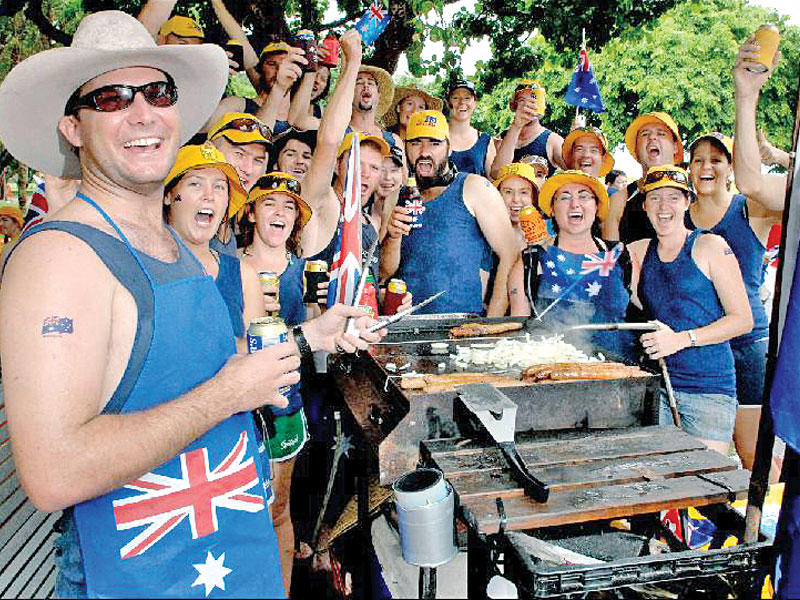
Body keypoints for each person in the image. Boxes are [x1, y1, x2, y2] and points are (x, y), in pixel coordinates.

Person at [0, 11, 383, 597]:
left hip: (232, 555)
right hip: (145, 575)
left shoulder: (176, 242)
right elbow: (54, 472)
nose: (142, 112)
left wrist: (310, 338)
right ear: (73, 128)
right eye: (111, 97)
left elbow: (188, 363)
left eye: (158, 91)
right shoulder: (60, 258)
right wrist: (227, 396)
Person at [694, 37, 786, 472]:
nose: (707, 167)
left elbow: (774, 186)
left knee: (754, 458)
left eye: (717, 159)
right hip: (696, 353)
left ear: (730, 166)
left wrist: (748, 96)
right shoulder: (676, 215)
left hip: (747, 346)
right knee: (701, 462)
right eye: (698, 160)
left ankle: (760, 533)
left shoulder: (752, 210)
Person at [628, 166, 753, 454]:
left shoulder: (710, 245)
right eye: (655, 198)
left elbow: (743, 320)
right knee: (662, 486)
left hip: (709, 389)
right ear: (645, 205)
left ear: (687, 202)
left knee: (704, 485)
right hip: (659, 385)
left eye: (673, 197)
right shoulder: (638, 251)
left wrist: (681, 339)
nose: (664, 207)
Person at [238, 172, 314, 594]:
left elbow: (319, 331)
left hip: (287, 407)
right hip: (235, 411)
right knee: (241, 515)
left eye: (289, 207)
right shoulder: (228, 266)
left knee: (278, 511)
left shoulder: (305, 271)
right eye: (269, 203)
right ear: (251, 212)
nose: (280, 212)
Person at [382, 110, 518, 316]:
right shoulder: (394, 197)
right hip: (404, 327)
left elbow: (511, 255)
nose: (424, 151)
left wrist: (491, 325)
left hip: (461, 328)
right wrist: (392, 238)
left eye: (434, 143)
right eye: (416, 142)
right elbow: (384, 273)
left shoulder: (475, 187)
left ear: (449, 147)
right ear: (406, 146)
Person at [508, 170, 635, 359]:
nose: (575, 204)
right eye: (564, 198)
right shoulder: (531, 261)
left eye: (584, 196)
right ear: (551, 209)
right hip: (554, 373)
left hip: (621, 373)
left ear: (596, 206)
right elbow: (518, 331)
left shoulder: (621, 255)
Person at [604, 111, 683, 243]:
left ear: (675, 147)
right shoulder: (618, 201)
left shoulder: (692, 197)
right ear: (636, 149)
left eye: (661, 133)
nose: (652, 137)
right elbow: (610, 258)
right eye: (645, 134)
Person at [490, 80, 565, 179]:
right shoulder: (500, 140)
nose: (528, 106)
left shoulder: (553, 141)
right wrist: (516, 126)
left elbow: (576, 171)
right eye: (522, 100)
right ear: (513, 105)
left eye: (534, 100)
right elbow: (497, 174)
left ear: (542, 106)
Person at [446, 79, 496, 177]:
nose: (462, 102)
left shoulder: (485, 141)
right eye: (456, 98)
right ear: (448, 103)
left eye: (467, 98)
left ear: (474, 103)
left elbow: (492, 182)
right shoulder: (436, 137)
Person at [347, 65, 401, 149]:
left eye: (371, 83)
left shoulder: (395, 141)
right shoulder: (338, 134)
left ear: (378, 95)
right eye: (359, 83)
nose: (366, 86)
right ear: (350, 92)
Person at [493, 162, 540, 251]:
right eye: (508, 192)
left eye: (523, 192)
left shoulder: (551, 234)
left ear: (533, 198)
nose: (516, 199)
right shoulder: (486, 235)